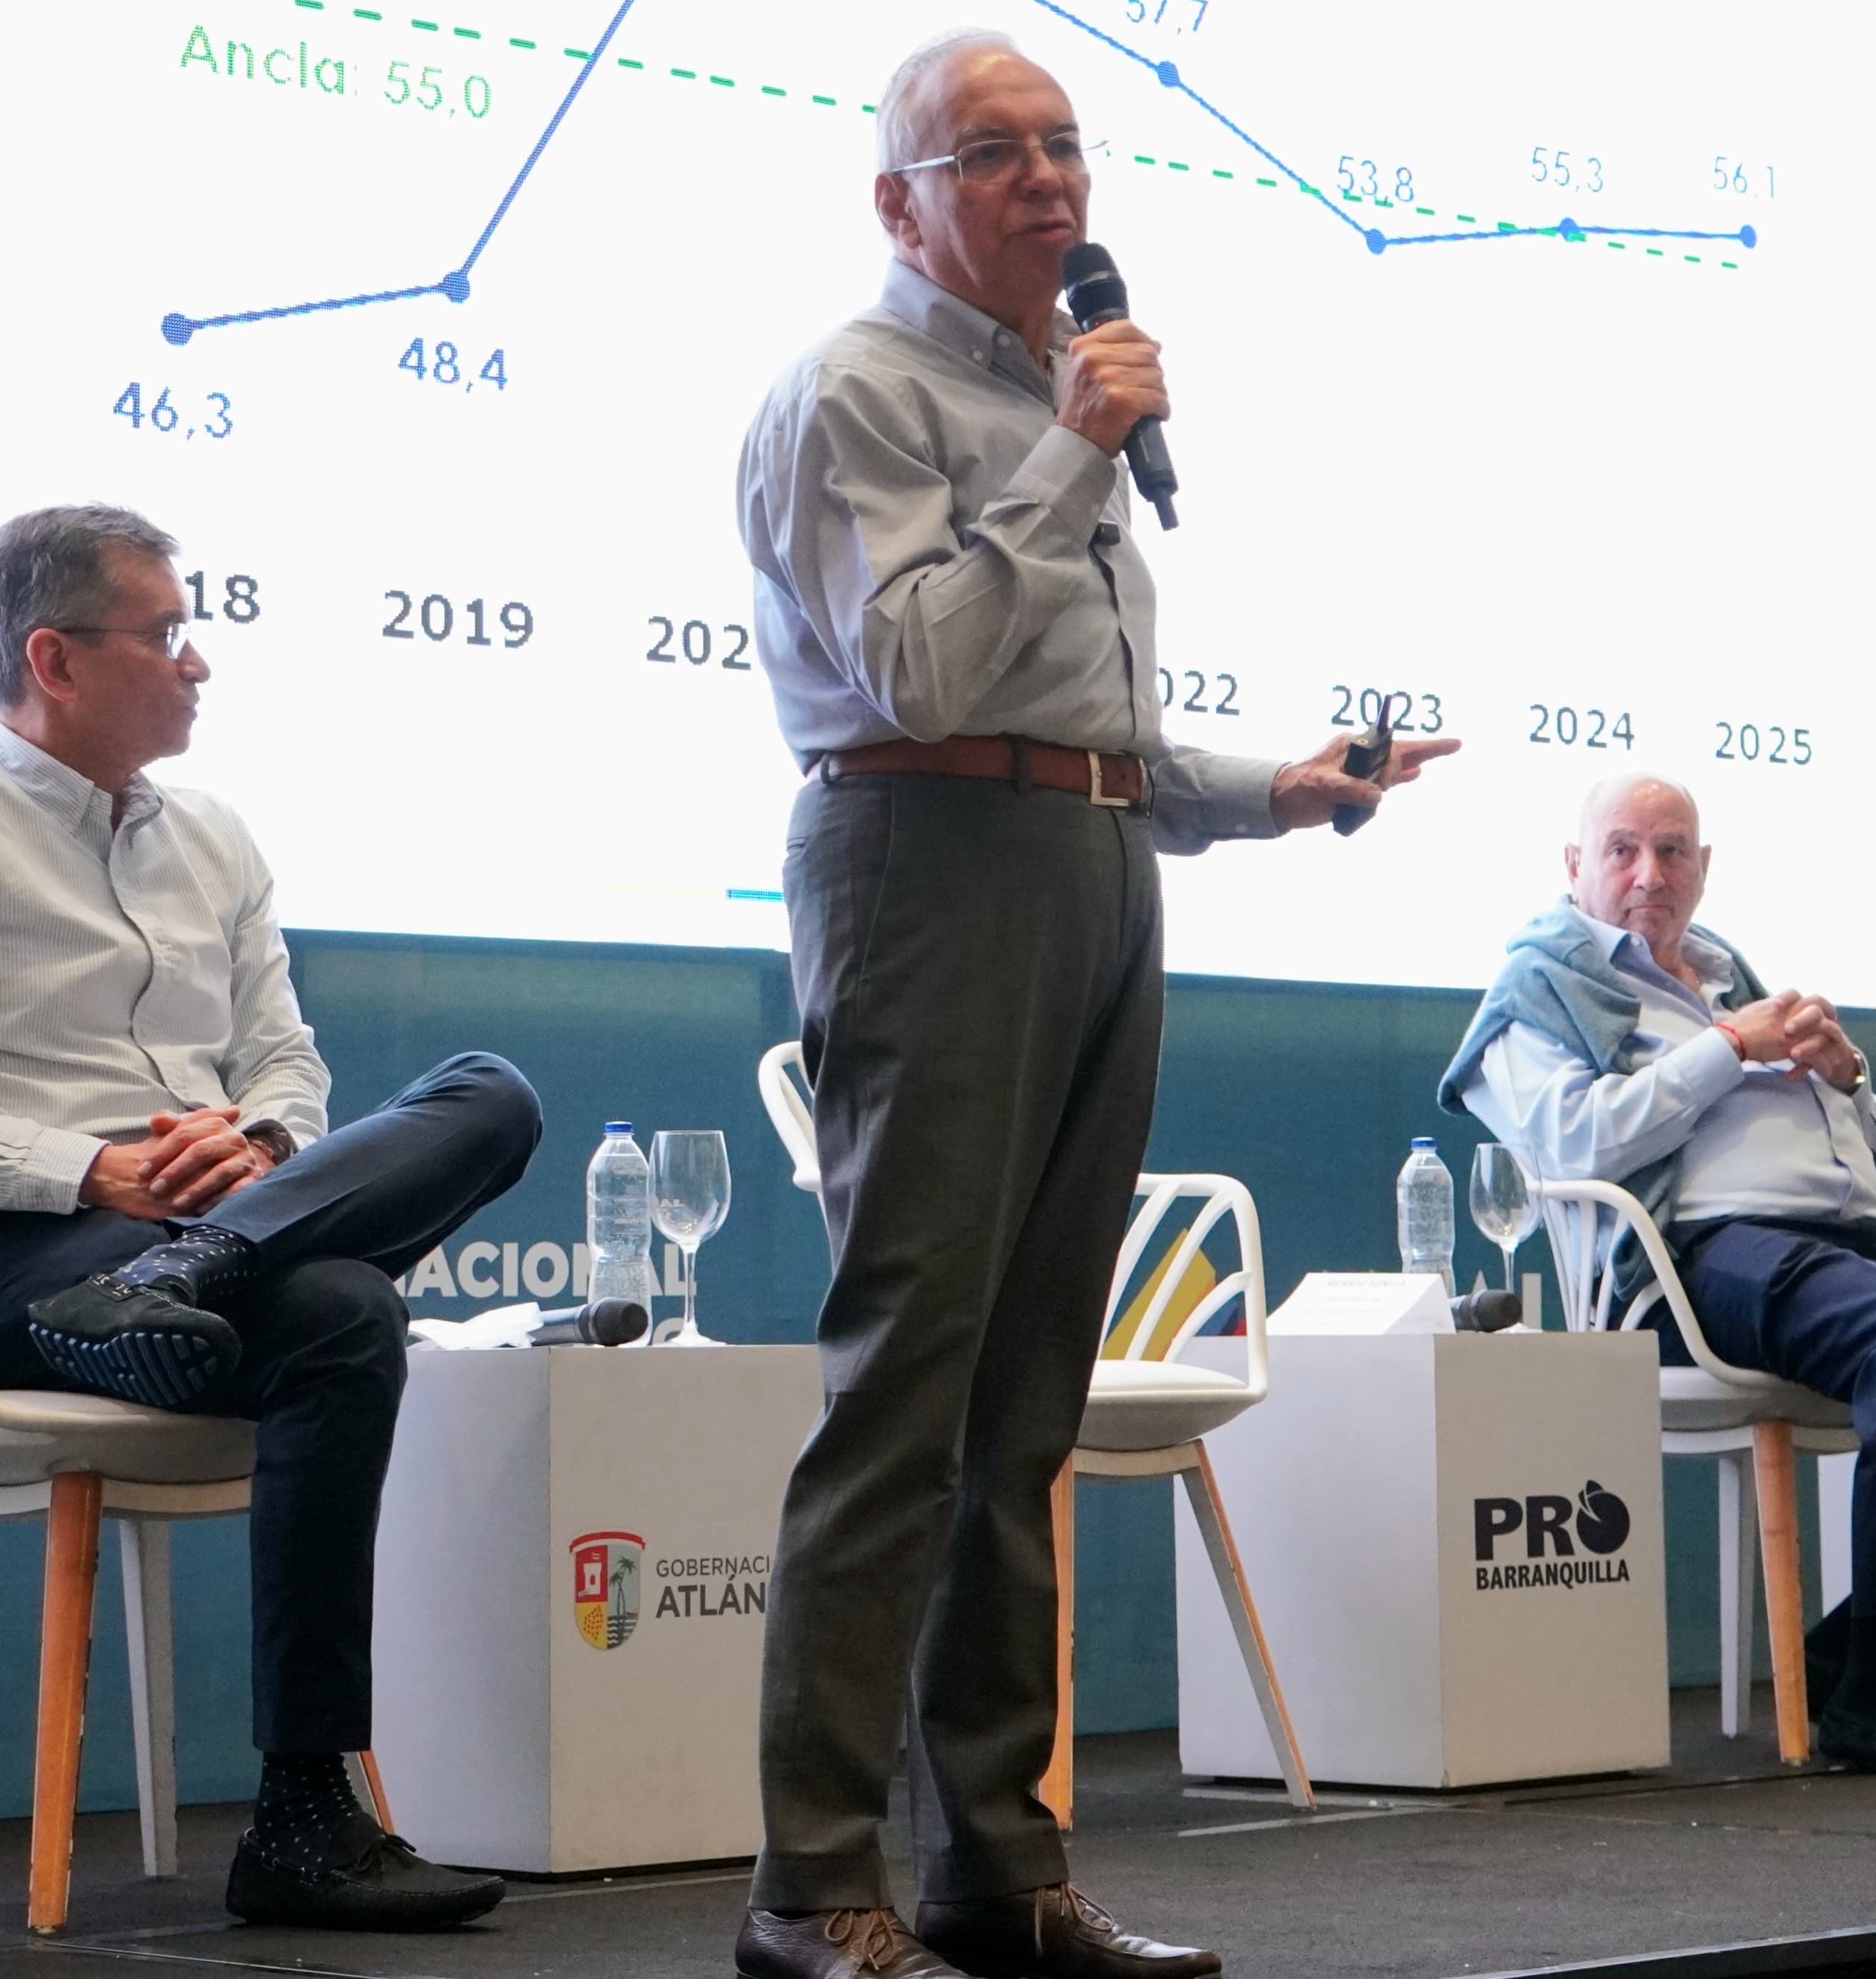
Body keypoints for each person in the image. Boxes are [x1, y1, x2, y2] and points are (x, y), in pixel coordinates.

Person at [732, 30, 1453, 1979]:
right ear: (901, 199)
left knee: (1023, 1407)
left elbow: (1081, 733)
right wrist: (1067, 448)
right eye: (996, 152)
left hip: (1094, 874)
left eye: (1068, 146)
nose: (1053, 181)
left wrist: (1275, 794)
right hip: (924, 876)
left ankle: (996, 1868)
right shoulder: (852, 395)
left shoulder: (1049, 400)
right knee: (906, 1392)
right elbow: (917, 670)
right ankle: (814, 1889)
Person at [0, 505, 541, 1929]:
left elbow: (287, 1061)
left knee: (488, 1096)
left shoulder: (216, 839)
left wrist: (252, 1140)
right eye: (167, 634)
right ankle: (311, 1813)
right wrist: (93, 1171)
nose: (200, 665)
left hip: (183, 1264)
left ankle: (298, 1821)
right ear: (53, 658)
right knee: (345, 1306)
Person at [1440, 773, 1876, 1778]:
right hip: (1697, 1263)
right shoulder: (1536, 995)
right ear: (1573, 866)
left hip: (1849, 1241)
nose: (1649, 874)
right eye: (1623, 850)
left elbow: (1874, 1157)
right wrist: (1726, 1049)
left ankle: (1849, 1644)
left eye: (1673, 851)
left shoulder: (1730, 976)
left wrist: (1848, 1075)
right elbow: (1570, 1144)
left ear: (1704, 867)